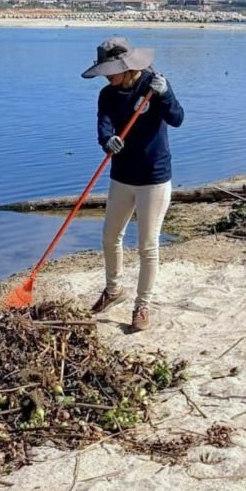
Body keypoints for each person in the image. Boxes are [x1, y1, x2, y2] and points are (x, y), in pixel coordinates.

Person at [81, 36, 184, 332]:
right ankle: (113, 290)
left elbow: (177, 118)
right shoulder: (108, 95)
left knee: (147, 245)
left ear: (128, 67)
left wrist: (164, 96)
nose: (108, 77)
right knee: (110, 236)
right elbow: (103, 125)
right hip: (121, 175)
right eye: (105, 72)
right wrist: (107, 141)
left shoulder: (154, 84)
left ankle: (143, 304)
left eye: (111, 71)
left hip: (154, 177)